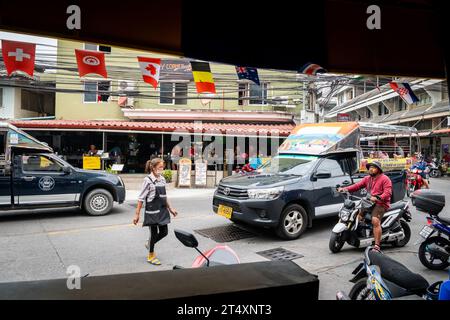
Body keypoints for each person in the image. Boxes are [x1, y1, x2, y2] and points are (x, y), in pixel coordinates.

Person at [338, 161, 392, 252]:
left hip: (381, 203)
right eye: (370, 167)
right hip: (368, 202)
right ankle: (361, 234)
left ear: (378, 169)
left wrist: (379, 197)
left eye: (373, 167)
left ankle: (377, 245)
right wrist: (345, 189)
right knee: (357, 216)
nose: (371, 169)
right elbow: (357, 186)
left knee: (375, 221)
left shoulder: (385, 179)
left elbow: (388, 192)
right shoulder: (367, 179)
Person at [133, 158, 178, 265]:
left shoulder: (162, 179)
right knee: (153, 234)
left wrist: (171, 208)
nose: (162, 169)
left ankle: (149, 243)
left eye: (163, 167)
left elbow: (164, 196)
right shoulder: (147, 180)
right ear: (153, 168)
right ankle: (151, 255)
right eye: (160, 167)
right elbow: (141, 198)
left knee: (164, 232)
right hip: (152, 211)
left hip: (162, 210)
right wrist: (137, 214)